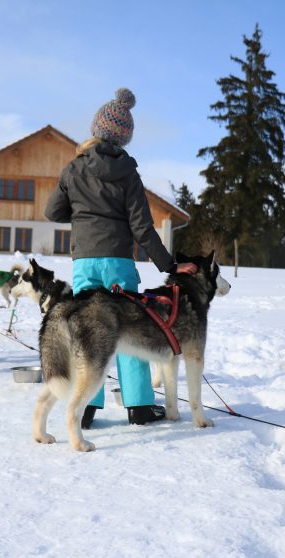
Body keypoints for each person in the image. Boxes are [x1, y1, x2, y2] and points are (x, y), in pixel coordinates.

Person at [45, 88, 197, 429]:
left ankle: (85, 408)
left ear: (96, 129)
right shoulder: (129, 173)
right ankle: (140, 405)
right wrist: (170, 266)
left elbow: (52, 212)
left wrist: (82, 212)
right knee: (128, 330)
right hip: (118, 262)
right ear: (125, 138)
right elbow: (143, 228)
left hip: (84, 262)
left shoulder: (74, 169)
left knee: (89, 332)